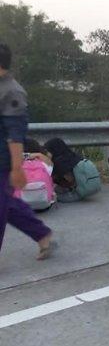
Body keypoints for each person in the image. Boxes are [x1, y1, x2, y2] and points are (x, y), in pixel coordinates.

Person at [0, 43, 53, 260]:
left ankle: (42, 234)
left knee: (1, 205)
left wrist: (16, 168)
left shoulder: (12, 91)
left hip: (2, 161)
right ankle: (42, 234)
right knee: (6, 203)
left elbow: (15, 133)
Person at [45, 138, 101, 203]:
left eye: (47, 151)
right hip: (93, 187)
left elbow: (70, 179)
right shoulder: (72, 156)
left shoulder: (59, 162)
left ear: (53, 150)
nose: (46, 154)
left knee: (55, 197)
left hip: (81, 191)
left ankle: (77, 193)